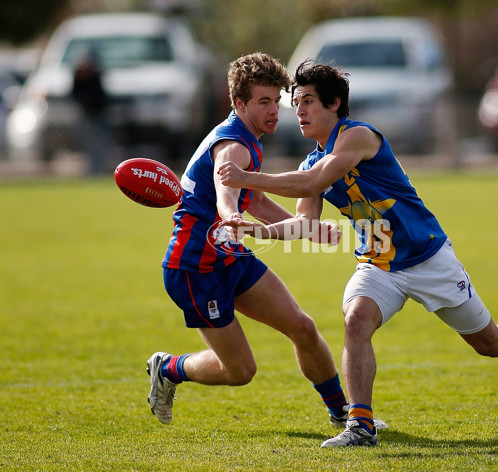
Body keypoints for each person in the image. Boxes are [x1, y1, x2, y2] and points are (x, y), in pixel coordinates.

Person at [218, 60, 498, 447]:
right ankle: (361, 424)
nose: (301, 111)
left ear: (334, 103)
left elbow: (315, 181)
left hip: (428, 259)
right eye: (298, 103)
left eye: (309, 101)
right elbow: (305, 224)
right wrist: (259, 231)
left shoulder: (358, 136)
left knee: (491, 343)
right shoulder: (309, 162)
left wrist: (247, 178)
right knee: (356, 320)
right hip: (378, 265)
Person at [147, 53, 387, 434]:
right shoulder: (234, 145)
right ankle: (168, 368)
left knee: (303, 328)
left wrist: (305, 228)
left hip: (230, 257)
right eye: (264, 102)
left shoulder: (248, 138)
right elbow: (228, 186)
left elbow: (254, 199)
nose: (276, 110)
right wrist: (228, 213)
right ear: (238, 104)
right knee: (240, 371)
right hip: (195, 269)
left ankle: (343, 411)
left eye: (277, 100)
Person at [71, 51, 112, 175]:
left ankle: (99, 169)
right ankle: (91, 170)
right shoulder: (78, 78)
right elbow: (75, 95)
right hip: (85, 116)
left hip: (98, 115)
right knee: (87, 144)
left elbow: (100, 97)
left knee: (99, 144)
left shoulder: (95, 77)